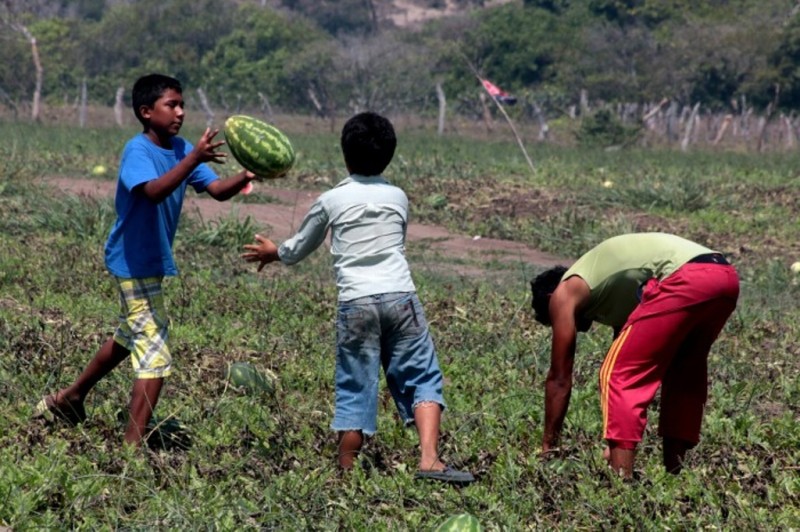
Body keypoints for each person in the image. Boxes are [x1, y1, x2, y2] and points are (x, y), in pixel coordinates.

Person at [241, 112, 474, 485]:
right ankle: (429, 459)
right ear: (389, 156)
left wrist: (275, 252)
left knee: (355, 385)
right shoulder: (399, 197)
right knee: (423, 375)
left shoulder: (332, 200)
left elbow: (302, 245)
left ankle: (347, 475)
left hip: (357, 304)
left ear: (345, 155)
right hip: (401, 297)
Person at [34, 73, 258, 446]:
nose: (180, 112)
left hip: (150, 261)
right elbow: (153, 191)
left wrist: (249, 173)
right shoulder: (138, 150)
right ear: (145, 112)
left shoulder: (183, 148)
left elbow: (217, 190)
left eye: (182, 105)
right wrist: (193, 159)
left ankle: (69, 398)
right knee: (155, 348)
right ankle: (130, 448)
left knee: (129, 335)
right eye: (171, 105)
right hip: (132, 260)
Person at [529, 232, 739, 478]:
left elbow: (560, 378)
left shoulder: (564, 291)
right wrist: (614, 443)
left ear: (549, 300)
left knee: (618, 374)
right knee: (683, 372)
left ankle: (621, 481)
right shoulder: (616, 289)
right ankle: (675, 474)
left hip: (686, 277)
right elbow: (634, 353)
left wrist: (548, 447)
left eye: (551, 319)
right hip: (724, 277)